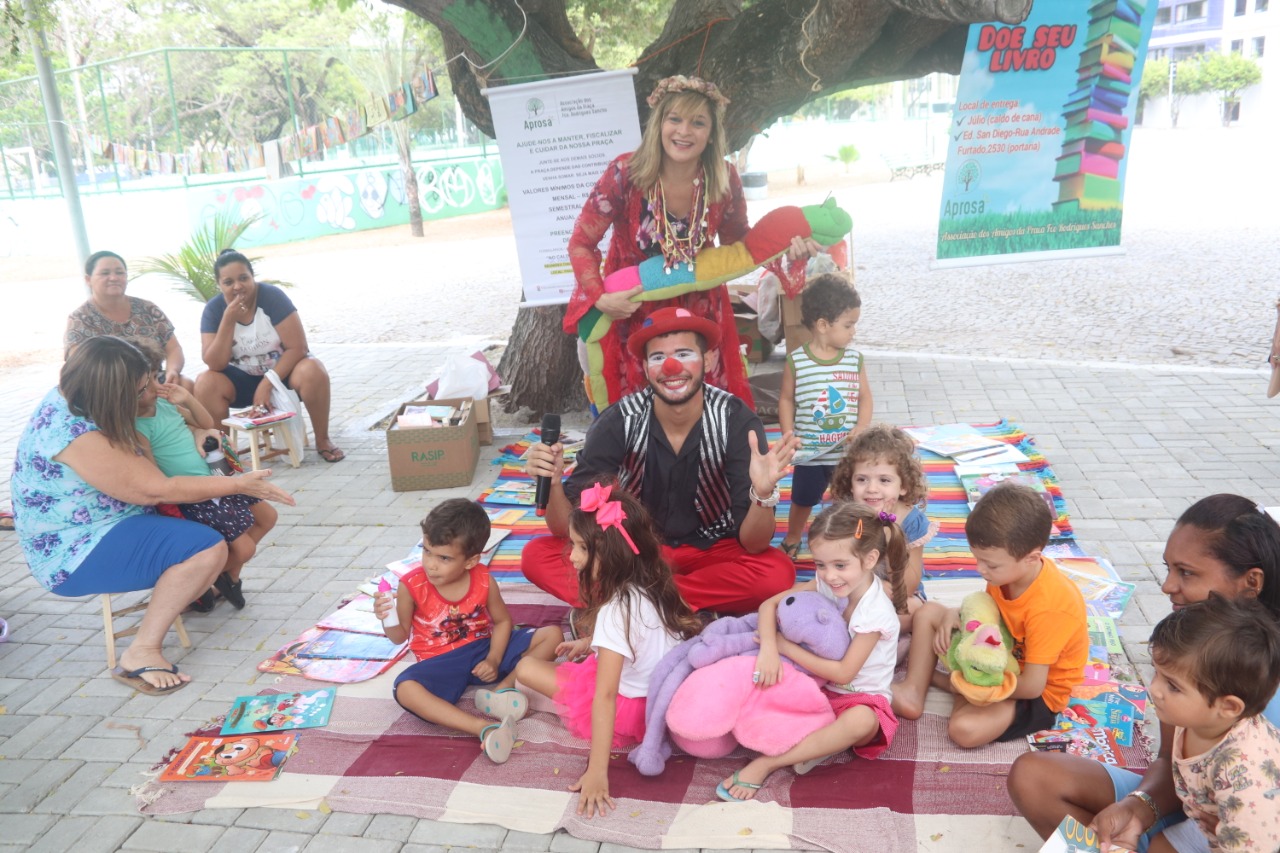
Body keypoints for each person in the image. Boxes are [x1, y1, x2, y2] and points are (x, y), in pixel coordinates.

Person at [11, 336, 294, 694]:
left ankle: (199, 589)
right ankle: (140, 653)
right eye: (141, 387)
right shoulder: (78, 434)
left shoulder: (77, 392)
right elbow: (157, 488)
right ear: (113, 392)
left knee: (218, 539)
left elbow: (160, 448)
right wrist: (238, 484)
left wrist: (192, 431)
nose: (149, 392)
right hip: (75, 550)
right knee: (207, 548)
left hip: (103, 522)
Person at [1008, 494, 1280, 852]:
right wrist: (1138, 807)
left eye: (1186, 572)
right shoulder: (1192, 646)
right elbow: (1172, 760)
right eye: (1167, 567)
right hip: (1196, 805)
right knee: (1033, 778)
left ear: (1251, 582)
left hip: (1253, 827)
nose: (1167, 585)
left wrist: (1243, 823)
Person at [521, 306, 801, 615]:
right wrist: (555, 482)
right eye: (658, 358)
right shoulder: (618, 421)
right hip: (631, 551)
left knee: (776, 573)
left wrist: (762, 495)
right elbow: (566, 531)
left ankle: (629, 606)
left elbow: (755, 545)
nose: (670, 367)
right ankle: (672, 607)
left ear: (708, 360)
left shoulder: (736, 421)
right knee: (537, 555)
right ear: (644, 367)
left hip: (713, 549)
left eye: (683, 354)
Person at [564, 74, 817, 409]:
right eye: (675, 119)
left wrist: (788, 246)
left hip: (700, 313)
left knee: (706, 415)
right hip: (632, 311)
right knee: (640, 418)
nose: (684, 131)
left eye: (698, 122)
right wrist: (600, 298)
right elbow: (581, 243)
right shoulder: (624, 172)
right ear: (659, 124)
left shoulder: (724, 179)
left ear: (711, 134)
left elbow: (740, 246)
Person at [513, 483, 702, 817]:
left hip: (631, 708)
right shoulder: (654, 581)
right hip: (661, 697)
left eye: (580, 548)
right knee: (565, 669)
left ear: (610, 553)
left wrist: (597, 771)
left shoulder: (616, 610)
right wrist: (590, 643)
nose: (571, 557)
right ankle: (531, 695)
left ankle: (522, 698)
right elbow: (646, 639)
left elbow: (604, 696)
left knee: (526, 670)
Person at [718, 502, 906, 801]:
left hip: (858, 699)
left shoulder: (875, 613)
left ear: (870, 559)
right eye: (820, 565)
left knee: (861, 721)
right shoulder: (828, 583)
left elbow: (845, 672)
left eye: (840, 565)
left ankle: (770, 763)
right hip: (815, 687)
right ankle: (816, 744)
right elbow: (770, 605)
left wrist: (784, 646)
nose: (830, 576)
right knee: (755, 677)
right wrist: (768, 647)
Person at [891, 482, 1088, 749]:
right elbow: (988, 612)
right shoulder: (1005, 572)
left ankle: (951, 682)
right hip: (997, 648)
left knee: (964, 730)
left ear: (1032, 558)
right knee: (928, 613)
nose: (981, 570)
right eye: (977, 559)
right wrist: (955, 614)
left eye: (990, 564)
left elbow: (1032, 687)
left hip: (1035, 694)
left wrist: (972, 686)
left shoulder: (1051, 607)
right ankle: (915, 689)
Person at [373, 499, 561, 763]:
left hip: (482, 649)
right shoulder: (411, 585)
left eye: (444, 558)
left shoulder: (483, 580)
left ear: (472, 560)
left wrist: (494, 659)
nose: (431, 564)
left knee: (552, 635)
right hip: (440, 662)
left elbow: (503, 622)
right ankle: (483, 728)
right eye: (427, 551)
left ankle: (502, 693)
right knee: (404, 688)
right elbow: (398, 636)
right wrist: (386, 618)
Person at [132, 338, 277, 611]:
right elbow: (153, 474)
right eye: (146, 383)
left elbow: (205, 423)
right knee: (244, 549)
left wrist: (187, 398)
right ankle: (201, 585)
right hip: (197, 495)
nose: (156, 386)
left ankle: (225, 578)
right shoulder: (138, 427)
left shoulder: (165, 405)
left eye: (156, 376)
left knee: (268, 516)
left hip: (217, 478)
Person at [1139, 595, 1280, 852]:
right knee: (1157, 845)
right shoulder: (1197, 716)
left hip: (1248, 838)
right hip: (1208, 824)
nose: (1155, 689)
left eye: (1172, 686)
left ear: (1227, 707)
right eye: (1156, 672)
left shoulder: (1244, 773)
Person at [194, 249, 344, 463]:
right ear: (219, 285)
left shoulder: (271, 297)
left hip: (283, 375)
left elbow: (298, 347)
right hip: (242, 381)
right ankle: (223, 454)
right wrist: (228, 320)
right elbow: (214, 363)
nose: (237, 286)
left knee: (313, 369)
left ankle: (323, 439)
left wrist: (268, 383)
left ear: (252, 277)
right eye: (228, 282)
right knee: (205, 381)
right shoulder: (214, 309)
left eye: (243, 278)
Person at [778, 273, 871, 560]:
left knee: (848, 501)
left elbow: (865, 397)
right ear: (822, 325)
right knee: (802, 499)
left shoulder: (854, 360)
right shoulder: (798, 360)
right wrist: (788, 434)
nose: (853, 331)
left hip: (844, 454)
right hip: (810, 454)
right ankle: (793, 537)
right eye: (848, 325)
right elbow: (786, 399)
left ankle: (849, 543)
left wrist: (861, 427)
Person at [830, 424, 936, 632]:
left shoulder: (912, 522)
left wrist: (889, 536)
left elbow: (908, 587)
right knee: (839, 611)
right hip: (856, 588)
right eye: (862, 479)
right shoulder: (848, 516)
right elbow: (834, 564)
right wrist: (868, 586)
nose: (872, 489)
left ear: (903, 485)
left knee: (913, 616)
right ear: (850, 484)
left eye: (884, 480)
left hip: (899, 596)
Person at [65, 250, 194, 390]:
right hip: (109, 389)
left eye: (120, 272)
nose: (114, 278)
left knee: (184, 384)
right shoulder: (81, 318)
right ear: (88, 279)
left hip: (154, 381)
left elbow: (173, 348)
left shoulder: (148, 308)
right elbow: (80, 367)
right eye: (105, 273)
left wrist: (172, 371)